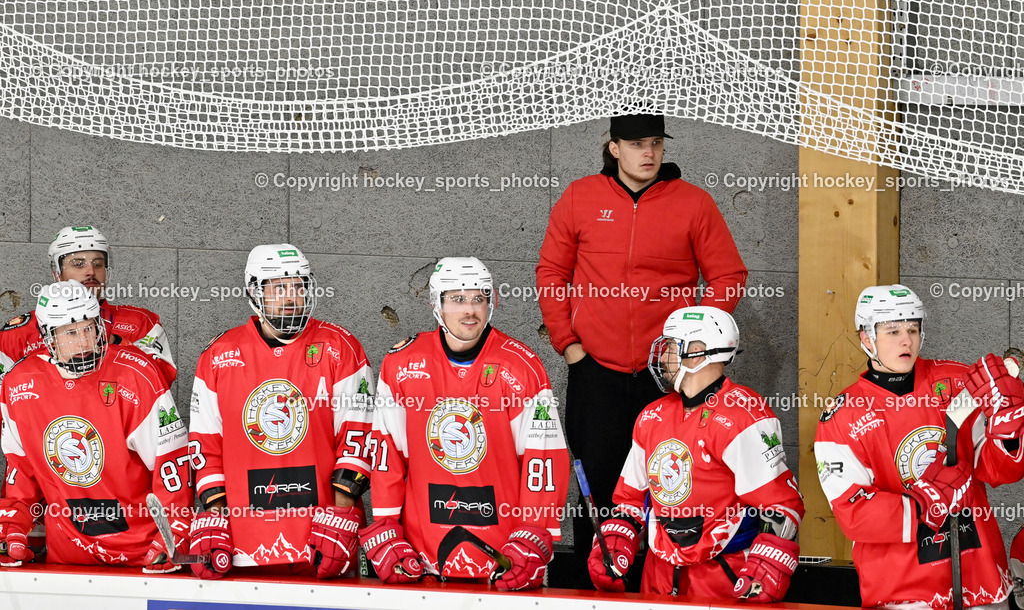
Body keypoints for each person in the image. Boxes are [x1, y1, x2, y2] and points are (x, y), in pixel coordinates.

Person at [535, 113, 748, 583]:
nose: (648, 153)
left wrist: (694, 345)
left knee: (671, 482)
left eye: (655, 142)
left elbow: (728, 275)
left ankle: (659, 589)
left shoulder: (693, 203)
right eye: (635, 144)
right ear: (614, 148)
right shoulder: (580, 196)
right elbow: (551, 273)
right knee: (597, 486)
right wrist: (569, 345)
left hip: (669, 377)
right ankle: (595, 586)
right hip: (595, 371)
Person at [361, 257, 569, 591]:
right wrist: (386, 525)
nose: (470, 310)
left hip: (504, 558)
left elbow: (543, 462)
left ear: (491, 303)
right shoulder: (401, 364)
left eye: (478, 298)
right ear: (437, 304)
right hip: (422, 555)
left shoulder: (521, 367)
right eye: (457, 299)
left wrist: (533, 534)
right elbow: (388, 456)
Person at [815, 284, 1024, 609]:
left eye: (912, 329)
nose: (906, 341)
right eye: (893, 331)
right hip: (903, 592)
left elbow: (1000, 471)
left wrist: (1009, 425)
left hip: (981, 578)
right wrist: (926, 501)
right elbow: (854, 514)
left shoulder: (957, 383)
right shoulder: (843, 416)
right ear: (866, 338)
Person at [187, 243, 375, 580]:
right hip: (243, 545)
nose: (291, 297)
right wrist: (215, 519)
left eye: (298, 286)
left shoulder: (341, 347)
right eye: (279, 288)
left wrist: (340, 517)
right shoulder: (218, 355)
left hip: (324, 541)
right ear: (254, 291)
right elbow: (206, 446)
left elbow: (358, 439)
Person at [589, 306, 802, 600]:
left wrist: (767, 565)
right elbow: (632, 499)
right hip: (659, 574)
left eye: (670, 347)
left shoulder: (743, 416)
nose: (661, 357)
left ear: (698, 352)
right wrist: (616, 542)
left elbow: (780, 506)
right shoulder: (652, 416)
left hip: (724, 576)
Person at [0, 281, 191, 570]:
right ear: (47, 336)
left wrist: (172, 534)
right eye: (70, 333)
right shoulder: (19, 384)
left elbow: (172, 463)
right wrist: (13, 527)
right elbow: (21, 468)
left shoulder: (136, 375)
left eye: (89, 328)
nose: (84, 342)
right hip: (69, 551)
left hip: (143, 551)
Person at [0, 226, 176, 383]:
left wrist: (117, 344)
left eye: (98, 264)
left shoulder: (140, 323)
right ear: (57, 272)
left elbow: (160, 382)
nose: (91, 271)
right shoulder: (18, 333)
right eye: (78, 264)